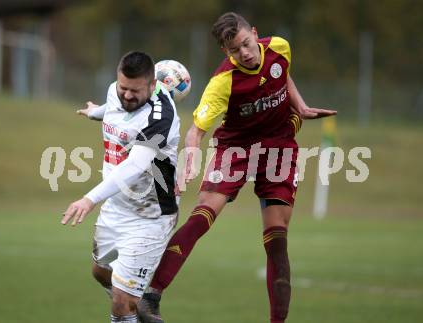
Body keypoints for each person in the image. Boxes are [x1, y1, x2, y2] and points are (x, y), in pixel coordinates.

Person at [136, 12, 337, 323]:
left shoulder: (280, 47)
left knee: (277, 238)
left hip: (279, 148)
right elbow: (196, 130)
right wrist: (190, 158)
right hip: (236, 149)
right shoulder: (223, 82)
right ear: (225, 52)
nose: (244, 53)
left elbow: (284, 73)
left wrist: (300, 106)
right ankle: (151, 296)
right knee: (203, 215)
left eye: (246, 43)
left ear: (254, 33)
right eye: (235, 50)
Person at [61, 51, 181, 323]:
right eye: (123, 87)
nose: (127, 95)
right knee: (100, 272)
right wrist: (96, 113)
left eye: (135, 91)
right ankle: (136, 313)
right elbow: (113, 106)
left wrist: (89, 199)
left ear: (153, 86)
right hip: (117, 207)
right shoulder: (116, 91)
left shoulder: (161, 117)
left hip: (150, 215)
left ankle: (128, 307)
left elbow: (135, 166)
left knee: (121, 302)